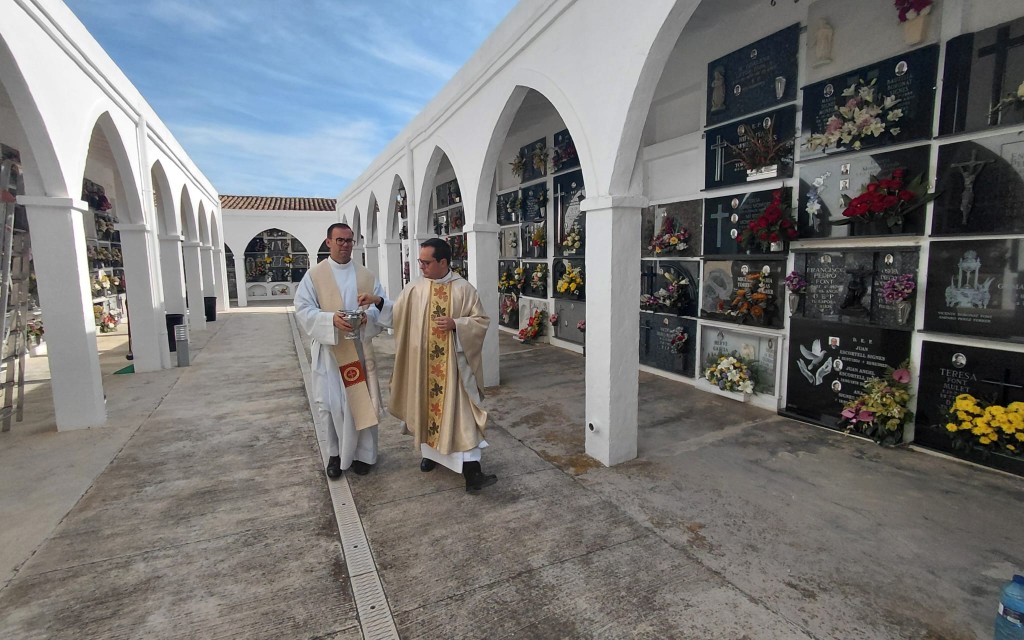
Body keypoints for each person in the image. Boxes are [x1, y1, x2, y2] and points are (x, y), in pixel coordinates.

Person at [387, 238, 496, 492]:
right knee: (427, 412)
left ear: (443, 262)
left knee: (463, 418)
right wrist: (378, 302)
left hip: (454, 370)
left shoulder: (463, 289)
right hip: (422, 369)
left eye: (426, 262)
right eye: (420, 262)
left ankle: (473, 473)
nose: (421, 267)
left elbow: (480, 320)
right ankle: (430, 455)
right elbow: (396, 315)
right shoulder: (415, 288)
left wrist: (457, 324)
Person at [294, 223, 392, 479]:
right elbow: (303, 310)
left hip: (358, 350)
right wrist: (329, 320)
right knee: (333, 405)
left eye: (349, 240)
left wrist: (365, 318)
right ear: (328, 242)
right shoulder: (314, 276)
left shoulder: (366, 276)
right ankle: (336, 454)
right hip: (330, 353)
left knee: (362, 404)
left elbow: (379, 308)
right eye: (340, 240)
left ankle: (365, 455)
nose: (345, 245)